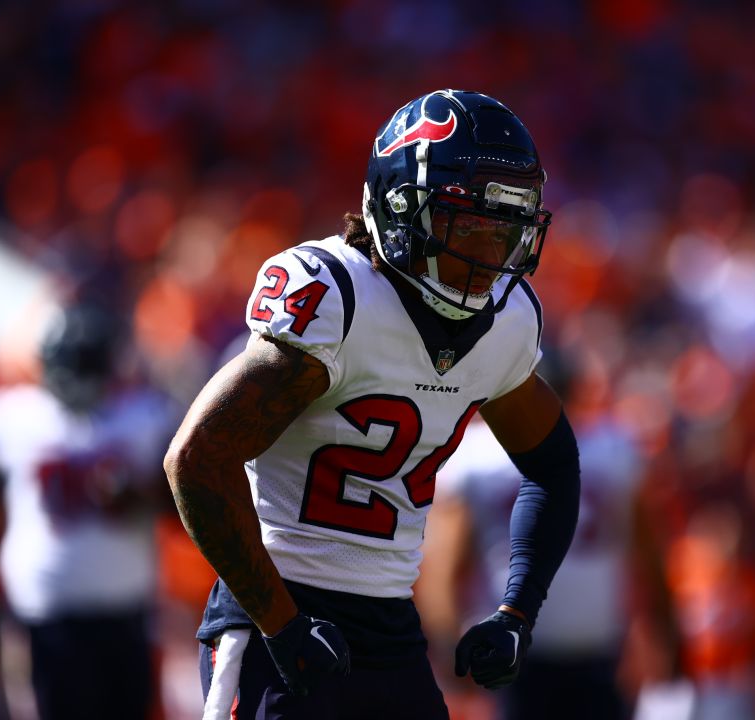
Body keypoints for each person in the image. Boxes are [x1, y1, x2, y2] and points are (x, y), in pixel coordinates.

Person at [164, 89, 581, 719]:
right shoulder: (337, 298)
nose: (486, 257)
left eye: (503, 233)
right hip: (277, 609)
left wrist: (517, 612)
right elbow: (195, 460)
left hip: (391, 626)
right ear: (398, 207)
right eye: (465, 225)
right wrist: (282, 624)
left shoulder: (506, 324)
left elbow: (553, 467)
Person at [0, 303, 175, 720]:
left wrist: (141, 497)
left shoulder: (145, 416)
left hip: (128, 617)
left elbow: (190, 505)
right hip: (45, 620)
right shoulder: (11, 419)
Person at [420, 353, 687, 720]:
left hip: (564, 650)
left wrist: (452, 648)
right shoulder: (613, 448)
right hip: (538, 650)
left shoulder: (479, 455)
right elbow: (649, 556)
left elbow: (442, 570)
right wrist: (668, 631)